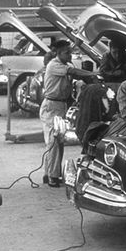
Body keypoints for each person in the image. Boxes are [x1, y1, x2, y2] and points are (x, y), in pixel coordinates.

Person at [39, 39, 96, 188]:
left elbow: (75, 77)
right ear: (58, 54)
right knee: (53, 142)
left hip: (62, 105)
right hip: (51, 106)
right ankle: (52, 176)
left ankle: (49, 173)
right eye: (66, 53)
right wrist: (93, 74)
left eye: (70, 52)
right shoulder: (53, 65)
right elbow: (73, 72)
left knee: (59, 141)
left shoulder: (66, 64)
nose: (69, 55)